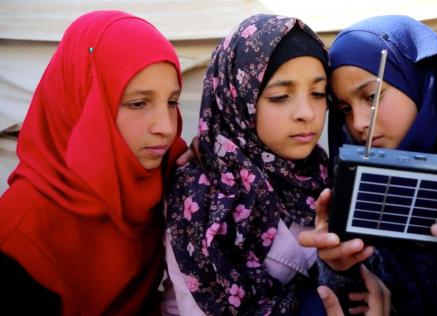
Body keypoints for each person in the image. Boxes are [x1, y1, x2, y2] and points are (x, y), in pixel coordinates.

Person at [299, 15, 437, 315]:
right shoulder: (358, 182)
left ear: (421, 82)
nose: (359, 123)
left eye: (372, 96)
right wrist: (339, 269)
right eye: (344, 109)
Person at [0, 10, 187, 315]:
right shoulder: (19, 237)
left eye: (172, 102)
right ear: (81, 103)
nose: (166, 127)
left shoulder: (164, 180)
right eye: (138, 103)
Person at [162, 14, 332, 315]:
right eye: (280, 96)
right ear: (238, 98)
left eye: (318, 93)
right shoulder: (201, 194)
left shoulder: (321, 173)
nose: (307, 112)